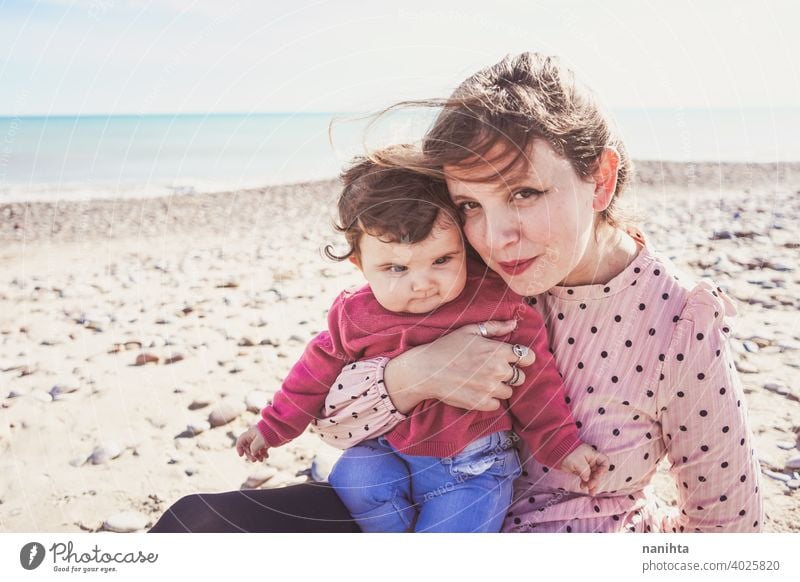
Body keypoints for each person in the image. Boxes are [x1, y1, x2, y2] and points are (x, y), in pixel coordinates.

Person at [149, 52, 762, 533]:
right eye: (470, 204)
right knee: (195, 526)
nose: (495, 237)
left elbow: (730, 529)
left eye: (525, 193)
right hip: (403, 507)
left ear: (599, 180)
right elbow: (333, 427)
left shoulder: (680, 322)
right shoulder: (452, 277)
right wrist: (417, 376)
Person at [232, 153, 606, 533]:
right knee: (354, 476)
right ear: (359, 265)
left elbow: (536, 381)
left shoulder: (495, 303)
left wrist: (562, 444)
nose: (423, 282)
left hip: (473, 468)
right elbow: (312, 373)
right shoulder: (355, 314)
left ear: (464, 245)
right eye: (397, 268)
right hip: (390, 451)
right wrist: (271, 428)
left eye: (442, 259)